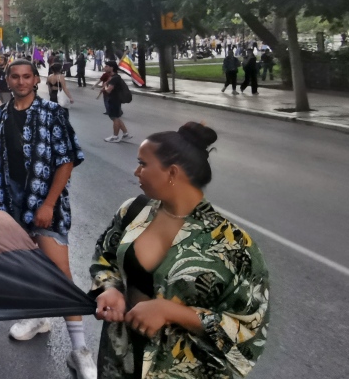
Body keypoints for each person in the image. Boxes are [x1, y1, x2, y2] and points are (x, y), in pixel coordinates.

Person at [91, 123, 270, 378]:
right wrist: (110, 289)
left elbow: (249, 326)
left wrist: (170, 311)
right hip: (119, 360)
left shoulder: (232, 243)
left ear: (172, 173)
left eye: (143, 164)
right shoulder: (133, 212)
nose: (136, 171)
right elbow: (105, 256)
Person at [0, 60, 95, 379]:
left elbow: (67, 160)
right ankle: (39, 317)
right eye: (15, 77)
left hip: (45, 203)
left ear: (36, 79)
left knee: (60, 273)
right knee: (28, 268)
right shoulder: (0, 115)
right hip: (12, 203)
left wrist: (49, 203)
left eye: (27, 76)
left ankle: (80, 349)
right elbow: (2, 151)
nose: (21, 81)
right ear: (8, 80)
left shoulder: (52, 114)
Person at [99, 60, 131, 143]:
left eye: (106, 66)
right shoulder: (113, 77)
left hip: (114, 100)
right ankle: (125, 134)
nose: (104, 68)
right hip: (113, 100)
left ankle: (115, 136)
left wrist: (105, 86)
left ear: (111, 68)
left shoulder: (115, 78)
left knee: (115, 118)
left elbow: (109, 90)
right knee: (116, 118)